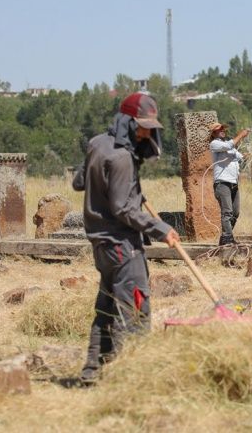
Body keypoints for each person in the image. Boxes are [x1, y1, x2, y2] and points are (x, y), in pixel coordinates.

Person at [73, 92, 180, 384]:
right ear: (127, 122)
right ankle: (130, 378)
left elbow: (79, 181)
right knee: (133, 312)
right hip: (121, 246)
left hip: (101, 246)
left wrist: (129, 188)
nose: (147, 131)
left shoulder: (97, 143)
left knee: (106, 309)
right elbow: (122, 208)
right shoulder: (121, 157)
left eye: (150, 126)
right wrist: (161, 230)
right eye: (142, 125)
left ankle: (93, 372)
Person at [209, 122, 250, 245]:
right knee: (227, 212)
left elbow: (241, 157)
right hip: (222, 183)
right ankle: (228, 238)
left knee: (235, 212)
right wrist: (241, 135)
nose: (223, 130)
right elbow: (229, 144)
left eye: (223, 129)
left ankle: (225, 237)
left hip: (233, 183)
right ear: (214, 133)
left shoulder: (230, 147)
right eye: (219, 129)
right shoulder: (214, 144)